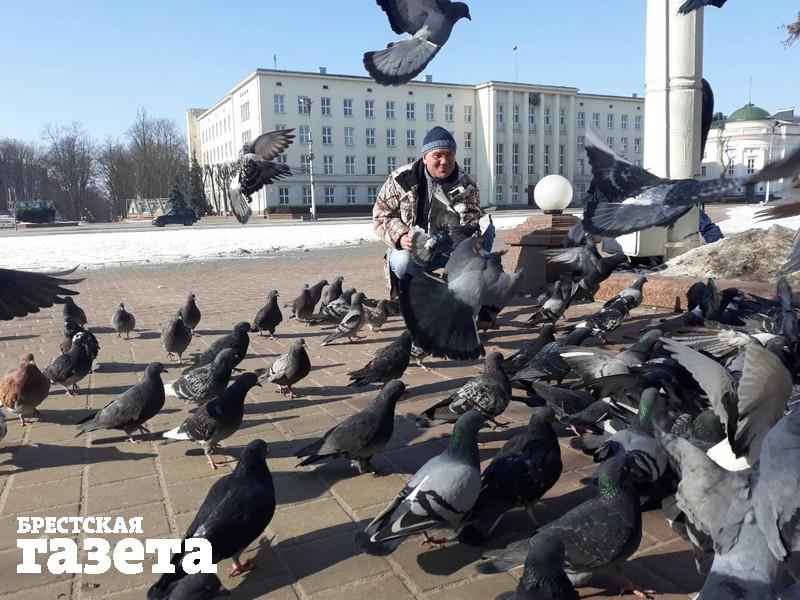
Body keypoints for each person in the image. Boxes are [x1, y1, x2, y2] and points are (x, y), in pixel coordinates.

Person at [372, 126, 494, 296]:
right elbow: (381, 215)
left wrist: (453, 237)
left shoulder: (465, 183)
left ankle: (459, 284)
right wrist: (401, 236)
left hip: (450, 250)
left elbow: (470, 220)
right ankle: (428, 290)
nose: (444, 161)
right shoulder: (400, 179)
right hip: (414, 250)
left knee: (487, 228)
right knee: (402, 262)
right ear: (424, 157)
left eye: (449, 155)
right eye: (438, 155)